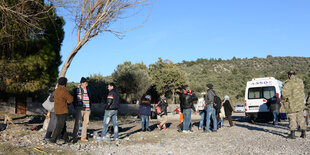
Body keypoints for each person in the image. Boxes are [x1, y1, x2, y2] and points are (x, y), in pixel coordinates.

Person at [281, 70, 306, 139]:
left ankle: (292, 134)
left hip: (291, 104)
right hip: (300, 104)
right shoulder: (300, 82)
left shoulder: (288, 83)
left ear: (289, 75)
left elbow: (284, 94)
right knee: (300, 117)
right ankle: (303, 133)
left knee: (292, 118)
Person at [49, 77, 73, 144]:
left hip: (57, 110)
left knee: (63, 125)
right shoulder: (64, 90)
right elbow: (71, 99)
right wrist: (67, 102)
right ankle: (53, 139)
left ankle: (66, 139)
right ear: (64, 83)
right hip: (63, 110)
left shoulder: (56, 90)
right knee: (60, 126)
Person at [72, 77, 92, 143]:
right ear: (82, 83)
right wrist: (76, 106)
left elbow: (90, 97)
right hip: (80, 108)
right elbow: (74, 99)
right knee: (78, 123)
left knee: (86, 123)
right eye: (86, 82)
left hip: (87, 109)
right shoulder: (77, 89)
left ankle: (83, 137)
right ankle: (75, 136)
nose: (87, 84)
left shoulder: (88, 89)